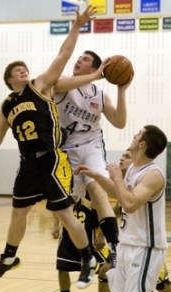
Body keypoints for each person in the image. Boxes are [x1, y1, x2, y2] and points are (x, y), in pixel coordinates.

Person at [0, 5, 99, 288]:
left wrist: (77, 26)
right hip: (27, 163)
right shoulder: (8, 104)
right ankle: (9, 257)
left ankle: (87, 259)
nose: (24, 72)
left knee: (64, 213)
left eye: (25, 69)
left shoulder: (41, 85)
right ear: (10, 79)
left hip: (51, 159)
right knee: (18, 212)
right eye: (18, 71)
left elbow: (63, 55)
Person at [53, 50, 133, 266]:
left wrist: (121, 90)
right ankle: (85, 252)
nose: (79, 60)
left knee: (97, 187)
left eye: (85, 59)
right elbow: (57, 85)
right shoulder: (63, 84)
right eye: (79, 57)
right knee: (71, 202)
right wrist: (96, 75)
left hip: (91, 145)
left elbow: (119, 122)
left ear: (95, 66)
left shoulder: (99, 94)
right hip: (66, 149)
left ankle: (116, 246)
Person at [75, 125, 168, 292]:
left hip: (144, 247)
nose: (134, 134)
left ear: (143, 144)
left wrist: (117, 177)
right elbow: (118, 193)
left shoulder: (153, 174)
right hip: (126, 244)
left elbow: (130, 203)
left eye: (138, 134)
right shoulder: (133, 169)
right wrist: (96, 176)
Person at [98, 148, 171, 292]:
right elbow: (118, 211)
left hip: (143, 247)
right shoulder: (124, 183)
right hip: (126, 245)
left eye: (127, 156)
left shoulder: (143, 182)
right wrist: (100, 231)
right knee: (105, 272)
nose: (122, 158)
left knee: (163, 288)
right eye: (122, 155)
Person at [52, 192, 109, 292]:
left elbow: (104, 209)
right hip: (67, 236)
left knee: (106, 270)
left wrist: (101, 235)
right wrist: (55, 224)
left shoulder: (92, 186)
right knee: (62, 267)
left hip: (90, 235)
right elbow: (55, 205)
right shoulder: (64, 185)